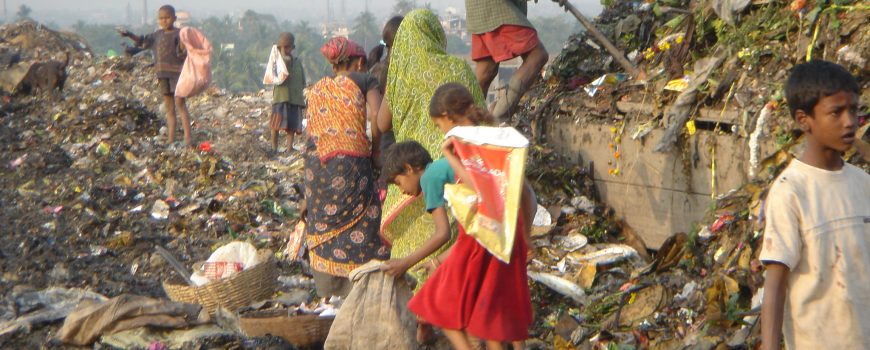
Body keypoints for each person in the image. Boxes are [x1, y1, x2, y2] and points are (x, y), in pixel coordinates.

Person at [406, 83, 536, 350]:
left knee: (442, 304)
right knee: (494, 314)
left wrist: (448, 155)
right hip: (506, 232)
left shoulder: (468, 143)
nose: (442, 131)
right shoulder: (498, 138)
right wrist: (525, 234)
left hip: (480, 235)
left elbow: (477, 186)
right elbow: (521, 189)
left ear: (448, 117)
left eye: (440, 125)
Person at [759, 60, 869, 350]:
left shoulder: (863, 184)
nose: (849, 121)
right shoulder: (791, 192)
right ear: (804, 119)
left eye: (854, 110)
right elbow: (775, 285)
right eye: (836, 112)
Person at [377, 9, 486, 297]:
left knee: (414, 243)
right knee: (456, 236)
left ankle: (418, 311)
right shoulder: (458, 69)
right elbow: (478, 116)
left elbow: (381, 123)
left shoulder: (399, 75)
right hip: (459, 174)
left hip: (409, 171)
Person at [302, 37, 388, 298]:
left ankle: (329, 291)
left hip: (316, 168)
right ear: (360, 62)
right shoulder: (364, 79)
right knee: (368, 219)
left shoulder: (318, 88)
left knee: (323, 223)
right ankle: (363, 287)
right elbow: (378, 116)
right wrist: (376, 152)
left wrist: (307, 195)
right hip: (350, 165)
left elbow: (312, 137)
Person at [119, 5, 193, 147]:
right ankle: (171, 140)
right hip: (162, 74)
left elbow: (183, 52)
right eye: (161, 18)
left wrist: (184, 45)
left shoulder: (179, 34)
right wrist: (129, 35)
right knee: (169, 108)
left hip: (177, 75)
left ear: (174, 18)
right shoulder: (156, 36)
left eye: (167, 17)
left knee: (180, 104)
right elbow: (142, 41)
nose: (164, 21)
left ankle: (188, 138)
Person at [466, 0, 549, 123]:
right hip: (496, 7)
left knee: (487, 69)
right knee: (537, 55)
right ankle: (498, 119)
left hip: (481, 8)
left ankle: (465, 125)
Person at [268, 32, 306, 153]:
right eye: (282, 47)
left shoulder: (297, 62)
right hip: (280, 97)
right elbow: (281, 66)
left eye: (287, 47)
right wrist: (280, 53)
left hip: (295, 98)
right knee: (276, 125)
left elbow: (302, 81)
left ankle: (289, 148)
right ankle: (274, 147)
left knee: (292, 126)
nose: (284, 50)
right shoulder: (277, 61)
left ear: (292, 47)